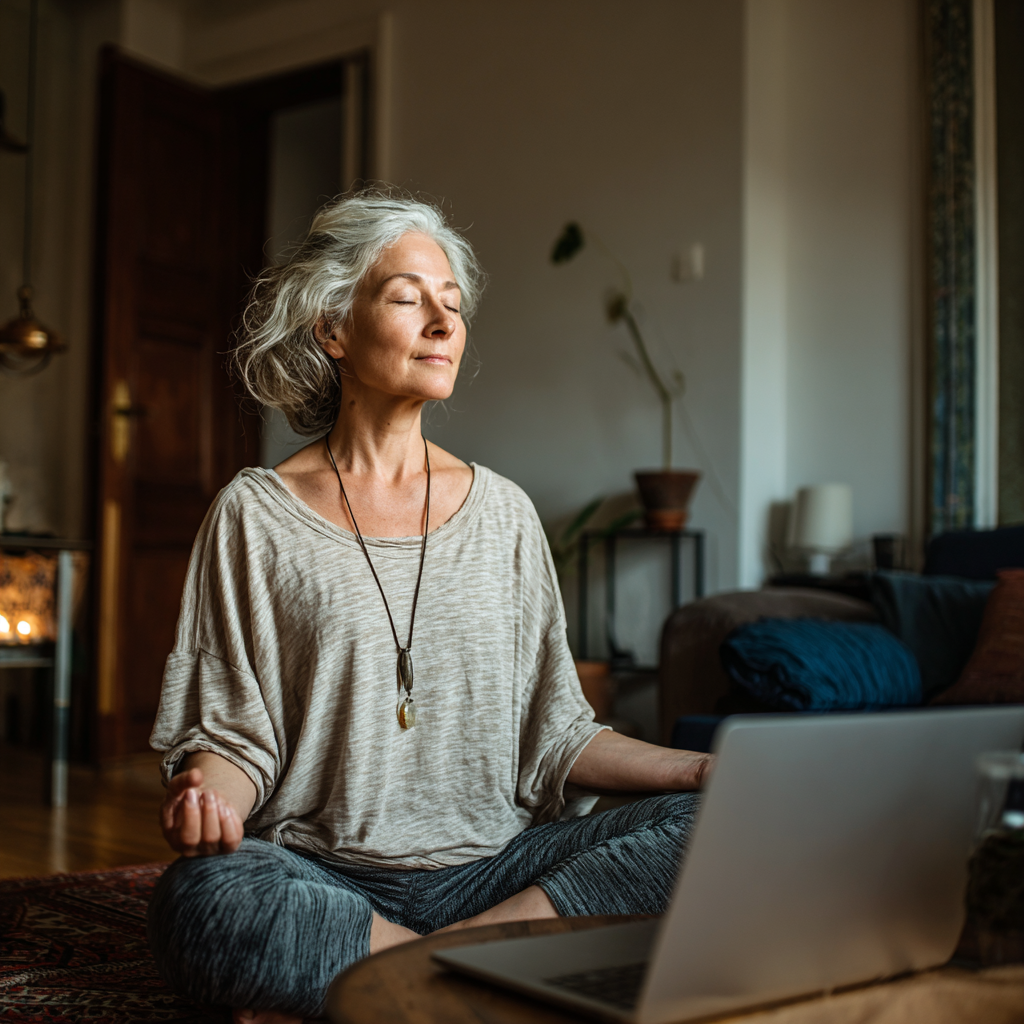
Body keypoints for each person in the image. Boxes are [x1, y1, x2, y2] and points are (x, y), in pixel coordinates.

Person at [146, 191, 712, 1024]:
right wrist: (209, 805)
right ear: (332, 329)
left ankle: (407, 978)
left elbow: (556, 733)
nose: (444, 324)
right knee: (205, 898)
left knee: (710, 830)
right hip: (322, 874)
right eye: (409, 298)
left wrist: (705, 771)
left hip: (500, 872)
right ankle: (485, 980)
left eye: (452, 305)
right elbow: (232, 737)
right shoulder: (255, 514)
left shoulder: (505, 514)